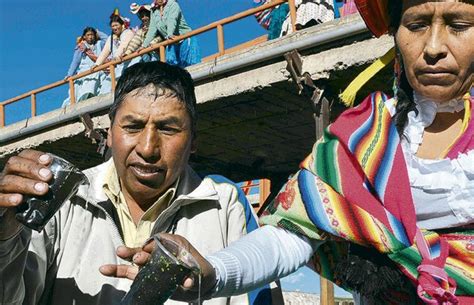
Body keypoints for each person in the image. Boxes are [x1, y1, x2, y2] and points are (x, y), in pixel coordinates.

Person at [111, 1, 474, 304]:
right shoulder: (362, 136)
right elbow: (291, 234)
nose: (434, 47)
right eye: (416, 25)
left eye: (458, 25)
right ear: (396, 34)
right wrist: (212, 271)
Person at [0, 62, 278, 305]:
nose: (147, 148)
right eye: (132, 127)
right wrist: (4, 237)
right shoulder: (61, 202)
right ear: (108, 134)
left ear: (193, 141)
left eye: (168, 128)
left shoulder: (226, 205)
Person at [142, 0, 201, 68]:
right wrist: (144, 45)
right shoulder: (154, 10)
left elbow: (172, 19)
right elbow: (152, 29)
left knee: (189, 64)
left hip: (184, 38)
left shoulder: (173, 4)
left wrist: (170, 34)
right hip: (171, 41)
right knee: (171, 65)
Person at [62, 27, 107, 107]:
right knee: (83, 93)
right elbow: (75, 62)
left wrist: (98, 32)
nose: (90, 37)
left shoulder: (99, 44)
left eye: (92, 35)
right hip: (85, 74)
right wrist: (69, 74)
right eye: (88, 35)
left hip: (98, 72)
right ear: (84, 37)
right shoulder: (81, 47)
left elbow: (107, 40)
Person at [95, 9, 134, 95]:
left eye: (116, 25)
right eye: (112, 26)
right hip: (116, 65)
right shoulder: (111, 38)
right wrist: (97, 65)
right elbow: (104, 52)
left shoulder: (128, 32)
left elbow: (123, 46)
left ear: (122, 25)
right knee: (106, 85)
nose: (115, 28)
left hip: (128, 62)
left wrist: (116, 57)